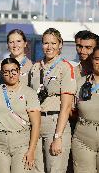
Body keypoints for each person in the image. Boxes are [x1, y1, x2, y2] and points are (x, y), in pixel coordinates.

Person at [29, 28, 76, 173]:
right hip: (36, 123)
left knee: (55, 169)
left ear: (60, 44)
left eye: (53, 43)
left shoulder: (65, 67)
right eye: (45, 43)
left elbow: (66, 106)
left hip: (55, 123)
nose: (49, 47)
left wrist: (58, 136)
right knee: (35, 169)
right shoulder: (35, 67)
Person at [0, 58, 41, 173]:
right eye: (6, 72)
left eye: (14, 70)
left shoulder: (29, 92)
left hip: (21, 142)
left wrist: (31, 150)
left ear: (19, 71)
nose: (11, 75)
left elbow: (36, 124)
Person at [71, 46, 99, 172]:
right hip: (83, 138)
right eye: (97, 59)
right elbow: (70, 109)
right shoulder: (80, 83)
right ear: (92, 60)